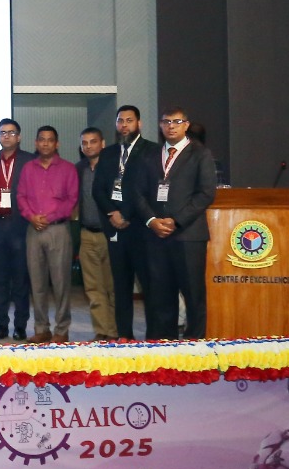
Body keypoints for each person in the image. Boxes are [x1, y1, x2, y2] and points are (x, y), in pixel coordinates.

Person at [129, 106, 218, 339]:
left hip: (188, 236)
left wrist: (176, 222)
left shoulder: (200, 154)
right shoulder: (149, 155)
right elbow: (137, 192)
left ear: (186, 125)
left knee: (193, 295)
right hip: (155, 236)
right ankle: (163, 344)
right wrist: (151, 220)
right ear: (160, 125)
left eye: (176, 122)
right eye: (166, 122)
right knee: (159, 295)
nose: (171, 126)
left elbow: (206, 194)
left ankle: (194, 345)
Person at [92, 105, 156, 340]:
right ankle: (125, 335)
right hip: (115, 228)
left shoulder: (152, 151)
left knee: (149, 286)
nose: (124, 125)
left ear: (139, 124)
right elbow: (98, 190)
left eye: (129, 120)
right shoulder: (108, 153)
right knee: (121, 286)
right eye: (120, 121)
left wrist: (126, 214)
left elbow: (149, 190)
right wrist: (113, 213)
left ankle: (153, 336)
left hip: (141, 228)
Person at [18, 126, 79, 344]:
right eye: (41, 140)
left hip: (58, 230)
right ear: (36, 143)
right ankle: (41, 328)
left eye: (50, 140)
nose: (45, 143)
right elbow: (21, 196)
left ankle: (62, 329)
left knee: (61, 282)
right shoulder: (28, 168)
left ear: (57, 144)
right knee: (37, 283)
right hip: (33, 230)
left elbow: (72, 200)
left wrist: (49, 217)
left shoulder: (68, 169)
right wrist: (31, 217)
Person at [0, 118, 33, 341]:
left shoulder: (29, 161)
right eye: (2, 132)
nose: (6, 136)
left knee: (20, 280)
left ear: (19, 137)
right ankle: (1, 325)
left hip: (20, 226)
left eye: (11, 133)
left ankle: (20, 326)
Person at [74, 127, 116, 340]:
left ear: (103, 143)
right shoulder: (78, 168)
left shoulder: (113, 167)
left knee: (112, 285)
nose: (89, 146)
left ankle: (115, 331)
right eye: (85, 143)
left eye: (93, 141)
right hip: (86, 234)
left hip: (110, 234)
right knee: (93, 287)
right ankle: (102, 331)